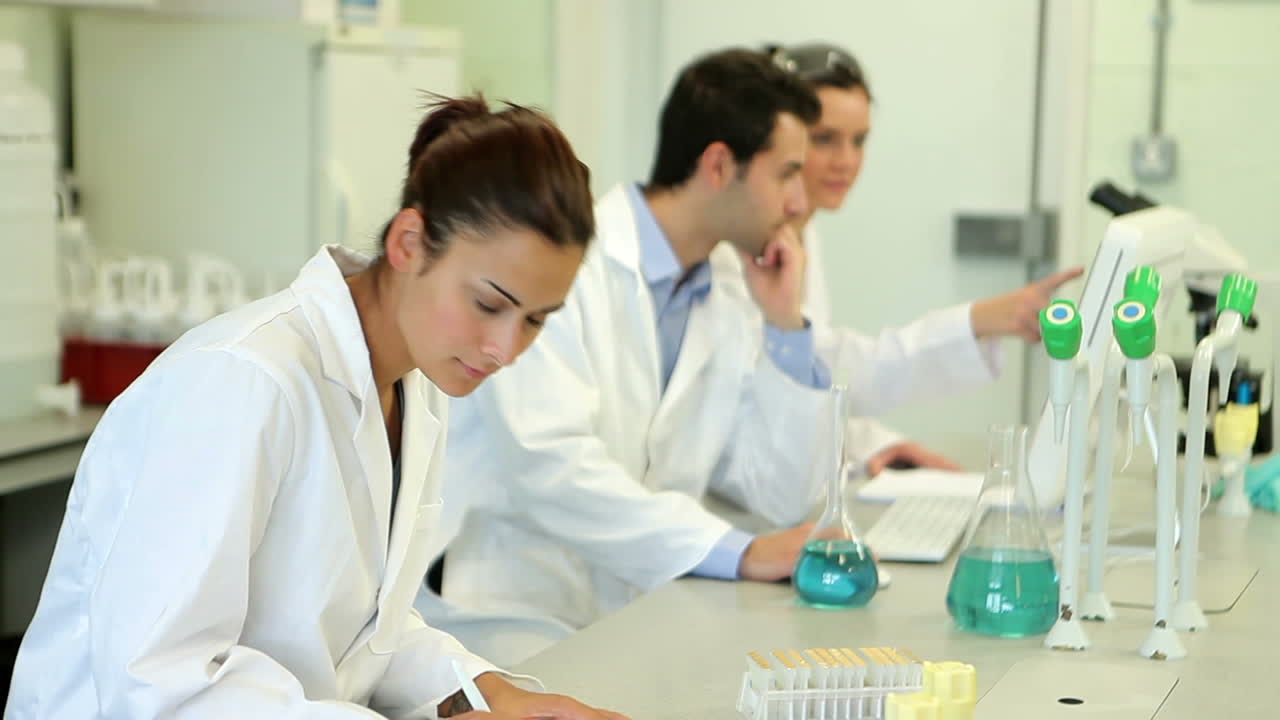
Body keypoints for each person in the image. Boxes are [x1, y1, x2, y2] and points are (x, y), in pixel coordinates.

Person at [5, 97, 625, 720]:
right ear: (409, 241)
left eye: (536, 321)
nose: (506, 349)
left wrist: (495, 695)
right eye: (490, 304)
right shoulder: (242, 381)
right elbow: (161, 686)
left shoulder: (416, 384)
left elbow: (366, 633)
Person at [414, 49, 836, 666]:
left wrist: (786, 326)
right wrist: (737, 552)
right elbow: (549, 464)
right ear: (720, 164)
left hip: (640, 612)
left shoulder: (730, 285)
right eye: (787, 174)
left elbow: (782, 496)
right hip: (508, 612)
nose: (800, 202)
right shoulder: (563, 261)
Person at [766, 42, 1084, 474]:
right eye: (825, 139)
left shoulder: (803, 233)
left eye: (859, 141)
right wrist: (979, 319)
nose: (847, 161)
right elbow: (794, 380)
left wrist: (876, 447)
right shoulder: (746, 249)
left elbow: (815, 380)